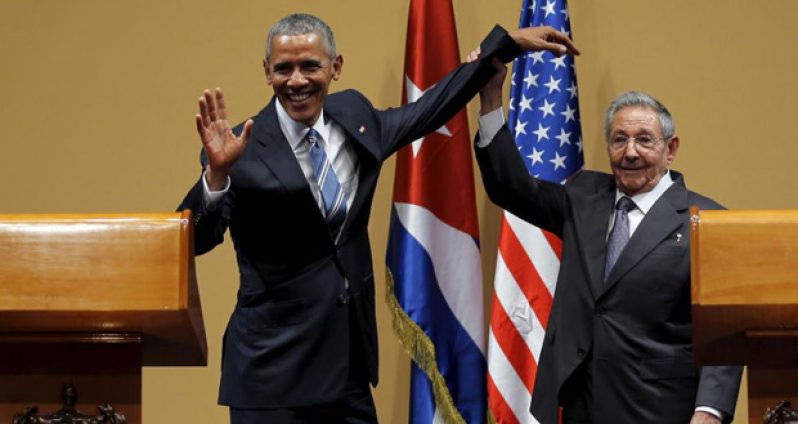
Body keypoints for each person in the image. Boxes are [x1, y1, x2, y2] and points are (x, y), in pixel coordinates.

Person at [178, 13, 578, 423]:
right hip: (271, 377)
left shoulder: (354, 115)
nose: (296, 80)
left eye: (310, 66)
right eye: (284, 68)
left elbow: (429, 108)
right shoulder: (240, 147)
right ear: (267, 72)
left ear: (335, 67)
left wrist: (505, 44)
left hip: (346, 368)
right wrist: (216, 176)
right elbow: (194, 239)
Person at [472, 59, 742, 424]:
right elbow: (512, 188)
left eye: (645, 140)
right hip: (582, 405)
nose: (630, 152)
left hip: (660, 409)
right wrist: (490, 101)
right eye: (619, 140)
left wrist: (709, 410)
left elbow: (725, 327)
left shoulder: (706, 220)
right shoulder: (583, 197)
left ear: (671, 148)